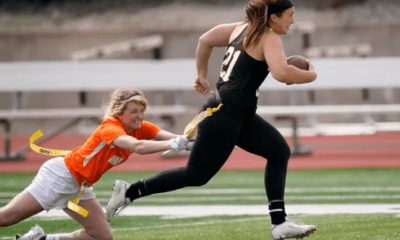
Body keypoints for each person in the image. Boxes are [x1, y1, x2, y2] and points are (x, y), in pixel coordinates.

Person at [106, 0, 317, 239]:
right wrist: (311, 75)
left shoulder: (240, 28)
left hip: (236, 112)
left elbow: (205, 39)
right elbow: (281, 72)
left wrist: (202, 75)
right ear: (274, 17)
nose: (293, 20)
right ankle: (130, 191)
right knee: (195, 175)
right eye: (290, 15)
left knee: (279, 151)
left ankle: (279, 224)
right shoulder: (269, 38)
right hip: (225, 114)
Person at [0, 88, 192, 240]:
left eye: (142, 111)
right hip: (60, 177)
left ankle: (38, 239)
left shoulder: (140, 127)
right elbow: (138, 146)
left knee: (101, 236)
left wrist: (198, 142)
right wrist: (171, 145)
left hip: (79, 187)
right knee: (5, 218)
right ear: (119, 112)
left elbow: (179, 139)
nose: (139, 116)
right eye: (133, 111)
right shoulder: (110, 127)